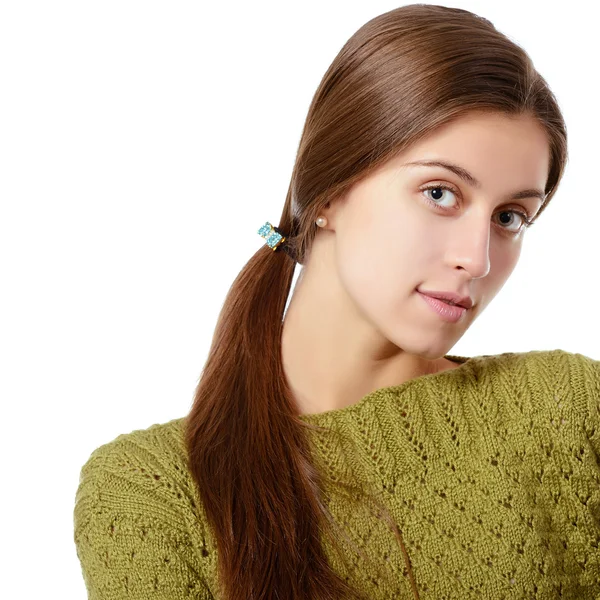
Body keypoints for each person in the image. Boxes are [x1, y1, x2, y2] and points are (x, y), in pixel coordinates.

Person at [73, 4, 600, 599]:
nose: (477, 259)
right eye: (440, 193)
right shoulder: (153, 491)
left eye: (510, 217)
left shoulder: (568, 410)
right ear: (328, 191)